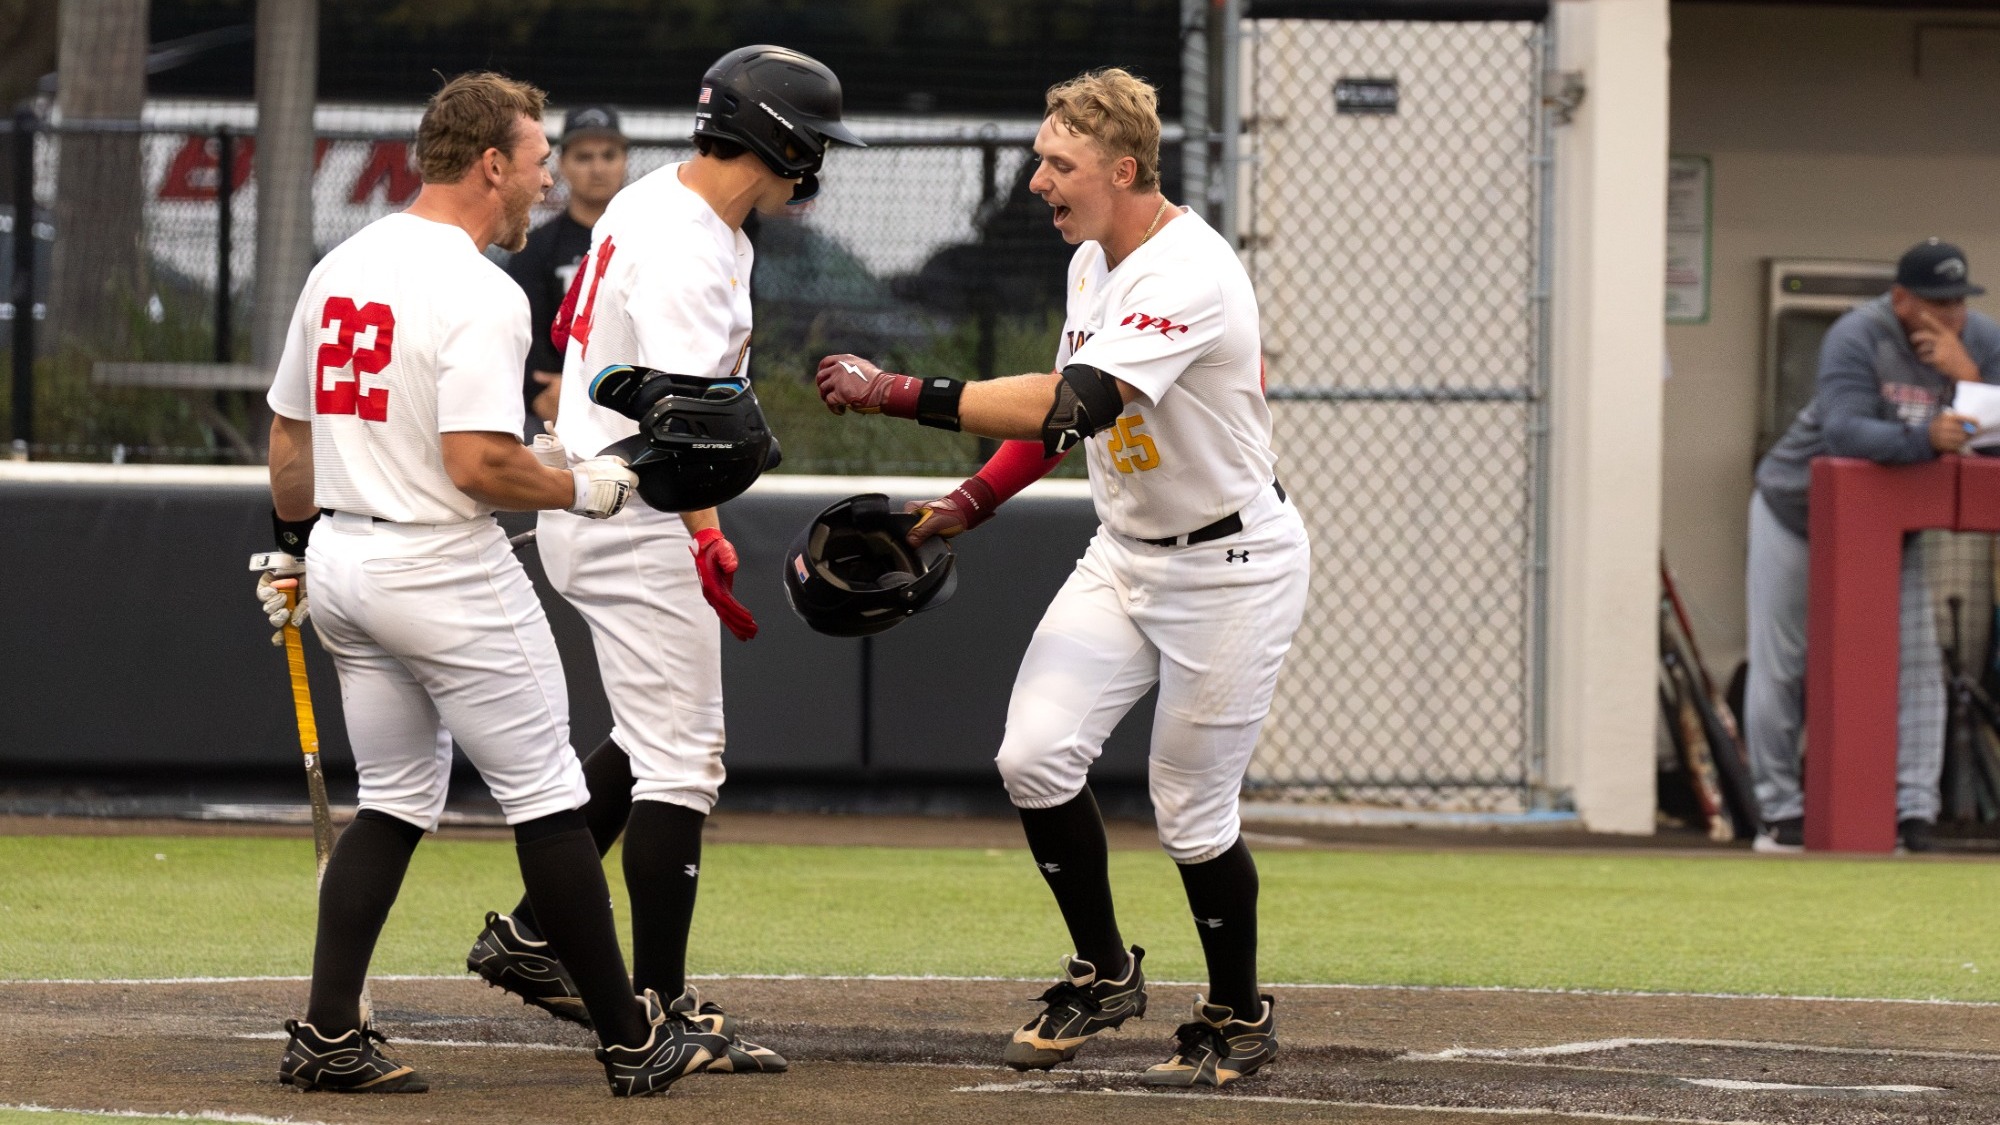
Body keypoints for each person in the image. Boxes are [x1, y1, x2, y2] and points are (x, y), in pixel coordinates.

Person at [813, 67, 1308, 1089]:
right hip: (1125, 553)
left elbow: (1071, 402)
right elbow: (1054, 420)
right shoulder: (1094, 257)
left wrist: (896, 393)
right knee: (1033, 757)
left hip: (1230, 566)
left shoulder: (1188, 270)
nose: (1037, 180)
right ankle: (1104, 972)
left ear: (1123, 168)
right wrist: (965, 504)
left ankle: (1236, 1012)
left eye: (1058, 163)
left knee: (1188, 811)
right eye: (1039, 159)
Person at [256, 71, 729, 1098]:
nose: (546, 176)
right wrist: (585, 486)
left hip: (341, 558)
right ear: (489, 164)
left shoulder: (342, 262)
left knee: (391, 801)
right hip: (440, 566)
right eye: (537, 157)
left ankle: (331, 1031)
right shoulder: (479, 287)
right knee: (551, 800)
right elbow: (477, 463)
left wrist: (291, 545)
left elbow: (288, 436)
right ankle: (630, 1038)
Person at [464, 45, 864, 1073]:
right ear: (773, 135)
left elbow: (656, 407)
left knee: (650, 743)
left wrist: (703, 526)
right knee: (685, 762)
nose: (814, 160)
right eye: (809, 139)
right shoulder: (690, 246)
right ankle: (657, 1004)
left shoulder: (671, 207)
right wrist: (695, 509)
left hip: (618, 499)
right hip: (620, 506)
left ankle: (531, 934)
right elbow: (699, 434)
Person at [1747, 238, 2000, 855]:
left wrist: (1966, 379)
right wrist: (1926, 439)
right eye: (1935, 301)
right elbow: (1843, 429)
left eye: (1958, 301)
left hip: (1892, 524)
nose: (1949, 314)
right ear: (1901, 298)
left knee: (1917, 667)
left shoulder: (1983, 342)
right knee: (1784, 665)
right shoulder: (1860, 335)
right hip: (1796, 510)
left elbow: (1994, 443)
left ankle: (1915, 814)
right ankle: (1781, 814)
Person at [506, 105, 630, 429]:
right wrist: (539, 391)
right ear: (561, 164)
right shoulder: (534, 247)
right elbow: (522, 332)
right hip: (551, 404)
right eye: (584, 157)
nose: (598, 168)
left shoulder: (648, 242)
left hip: (633, 397)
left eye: (608, 155)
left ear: (625, 160)